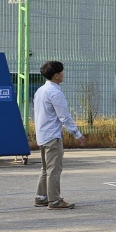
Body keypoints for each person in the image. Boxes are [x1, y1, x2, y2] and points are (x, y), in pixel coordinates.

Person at [32, 60, 84, 209]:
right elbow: (64, 116)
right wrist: (77, 134)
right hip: (52, 136)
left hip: (42, 135)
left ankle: (41, 196)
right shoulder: (55, 93)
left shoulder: (40, 91)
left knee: (45, 169)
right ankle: (54, 200)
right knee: (54, 170)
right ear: (56, 75)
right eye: (61, 72)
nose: (63, 74)